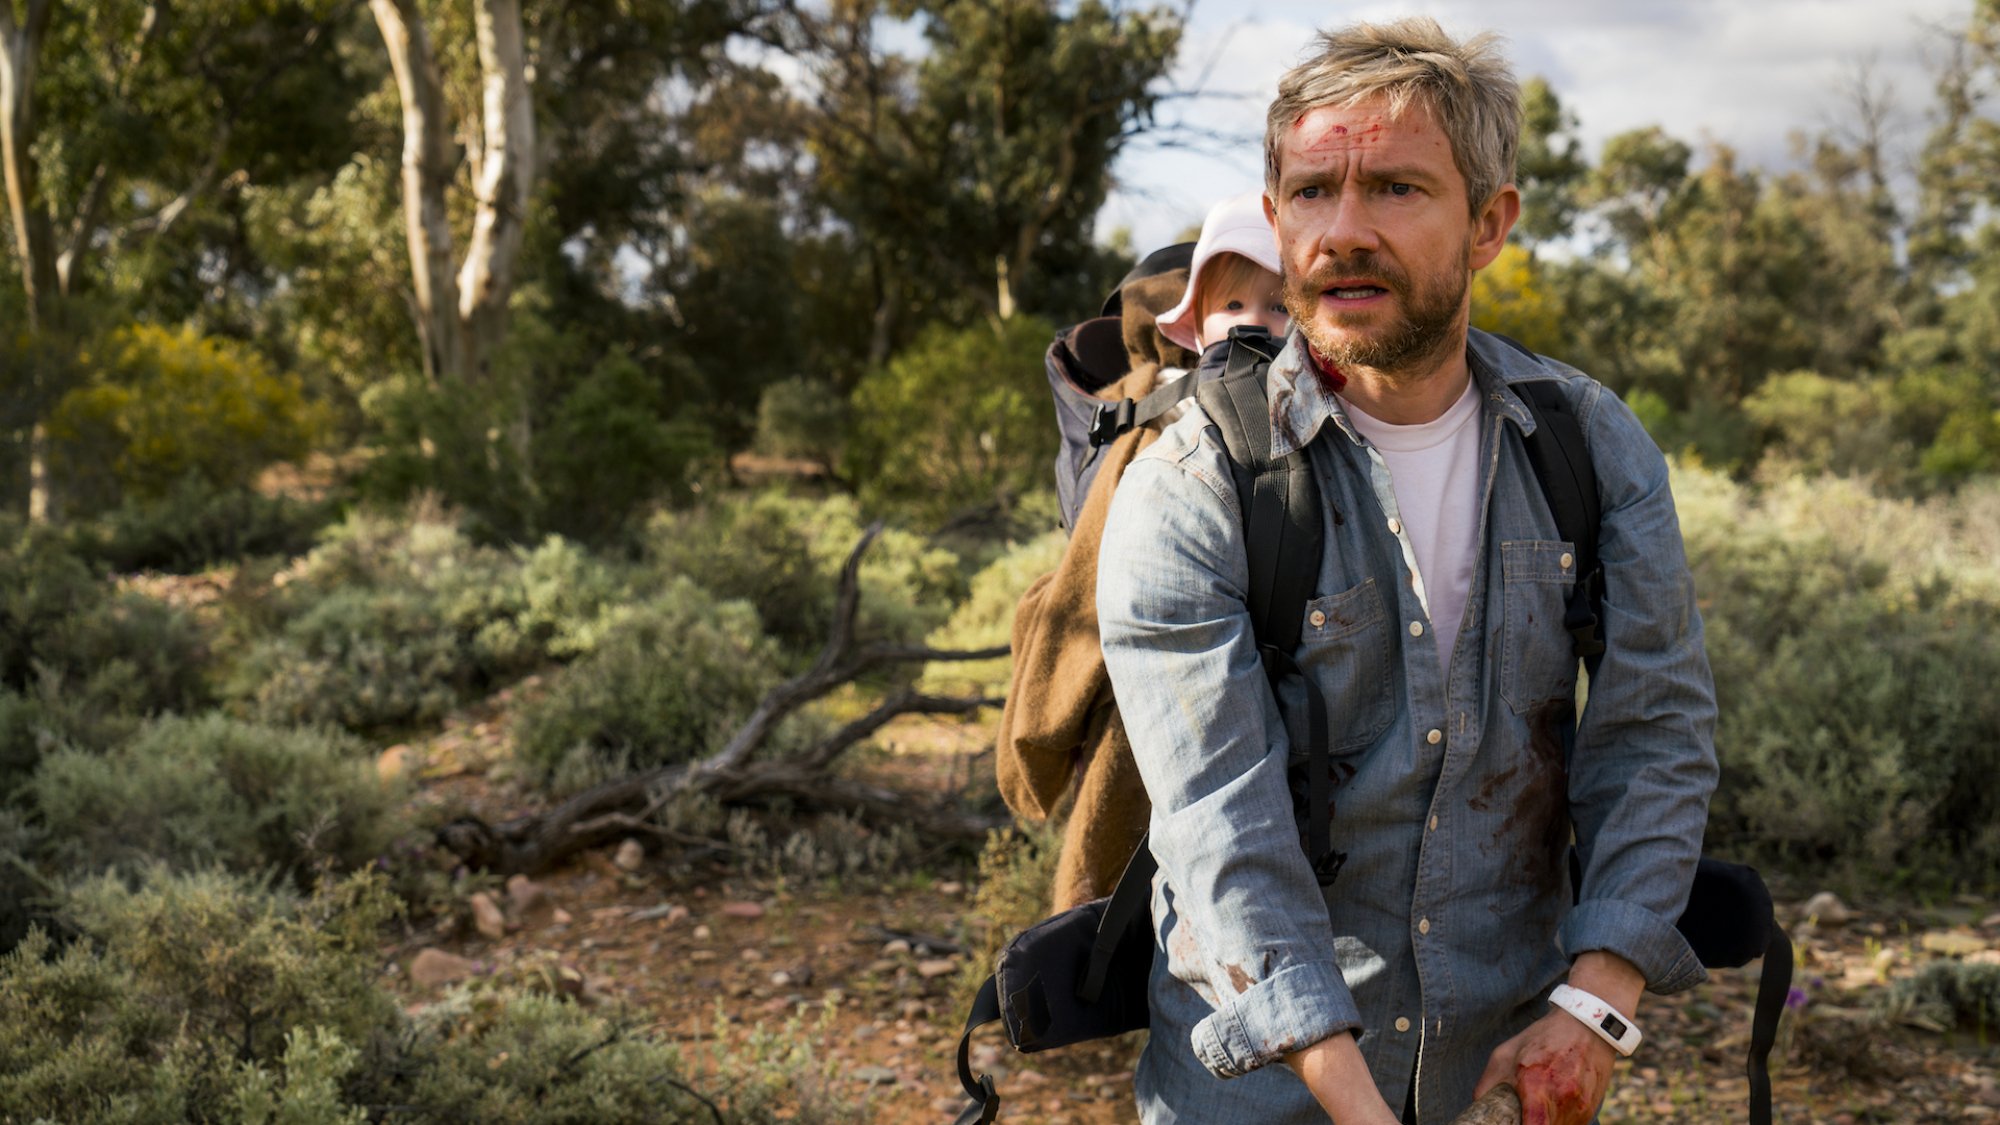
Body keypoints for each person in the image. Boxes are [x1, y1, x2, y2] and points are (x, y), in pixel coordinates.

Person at [1096, 17, 1717, 1125]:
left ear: (1488, 223)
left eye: (1393, 189)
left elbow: (1654, 733)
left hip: (1503, 1069)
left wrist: (1595, 1004)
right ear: (1274, 212)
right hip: (1255, 1091)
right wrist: (1353, 1102)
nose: (1341, 232)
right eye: (1310, 192)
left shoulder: (1586, 444)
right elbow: (1216, 825)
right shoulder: (1195, 479)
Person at [1155, 189, 1292, 357]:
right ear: (1200, 326)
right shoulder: (1179, 383)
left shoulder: (1318, 383)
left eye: (1281, 308)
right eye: (1233, 305)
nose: (1253, 322)